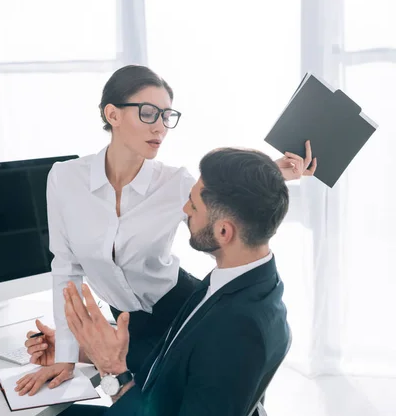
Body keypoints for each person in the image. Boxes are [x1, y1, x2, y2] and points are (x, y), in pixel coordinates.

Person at [0, 147, 290, 416]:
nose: (185, 211)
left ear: (223, 230)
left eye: (194, 206)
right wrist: (88, 349)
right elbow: (178, 362)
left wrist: (113, 373)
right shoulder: (238, 279)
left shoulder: (241, 330)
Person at [22, 65, 316, 394]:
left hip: (181, 309)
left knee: (199, 406)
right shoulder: (64, 179)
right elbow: (66, 269)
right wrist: (65, 354)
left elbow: (227, 197)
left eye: (167, 116)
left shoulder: (175, 182)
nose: (161, 127)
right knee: (140, 414)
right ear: (112, 114)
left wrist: (277, 174)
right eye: (149, 114)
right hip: (124, 326)